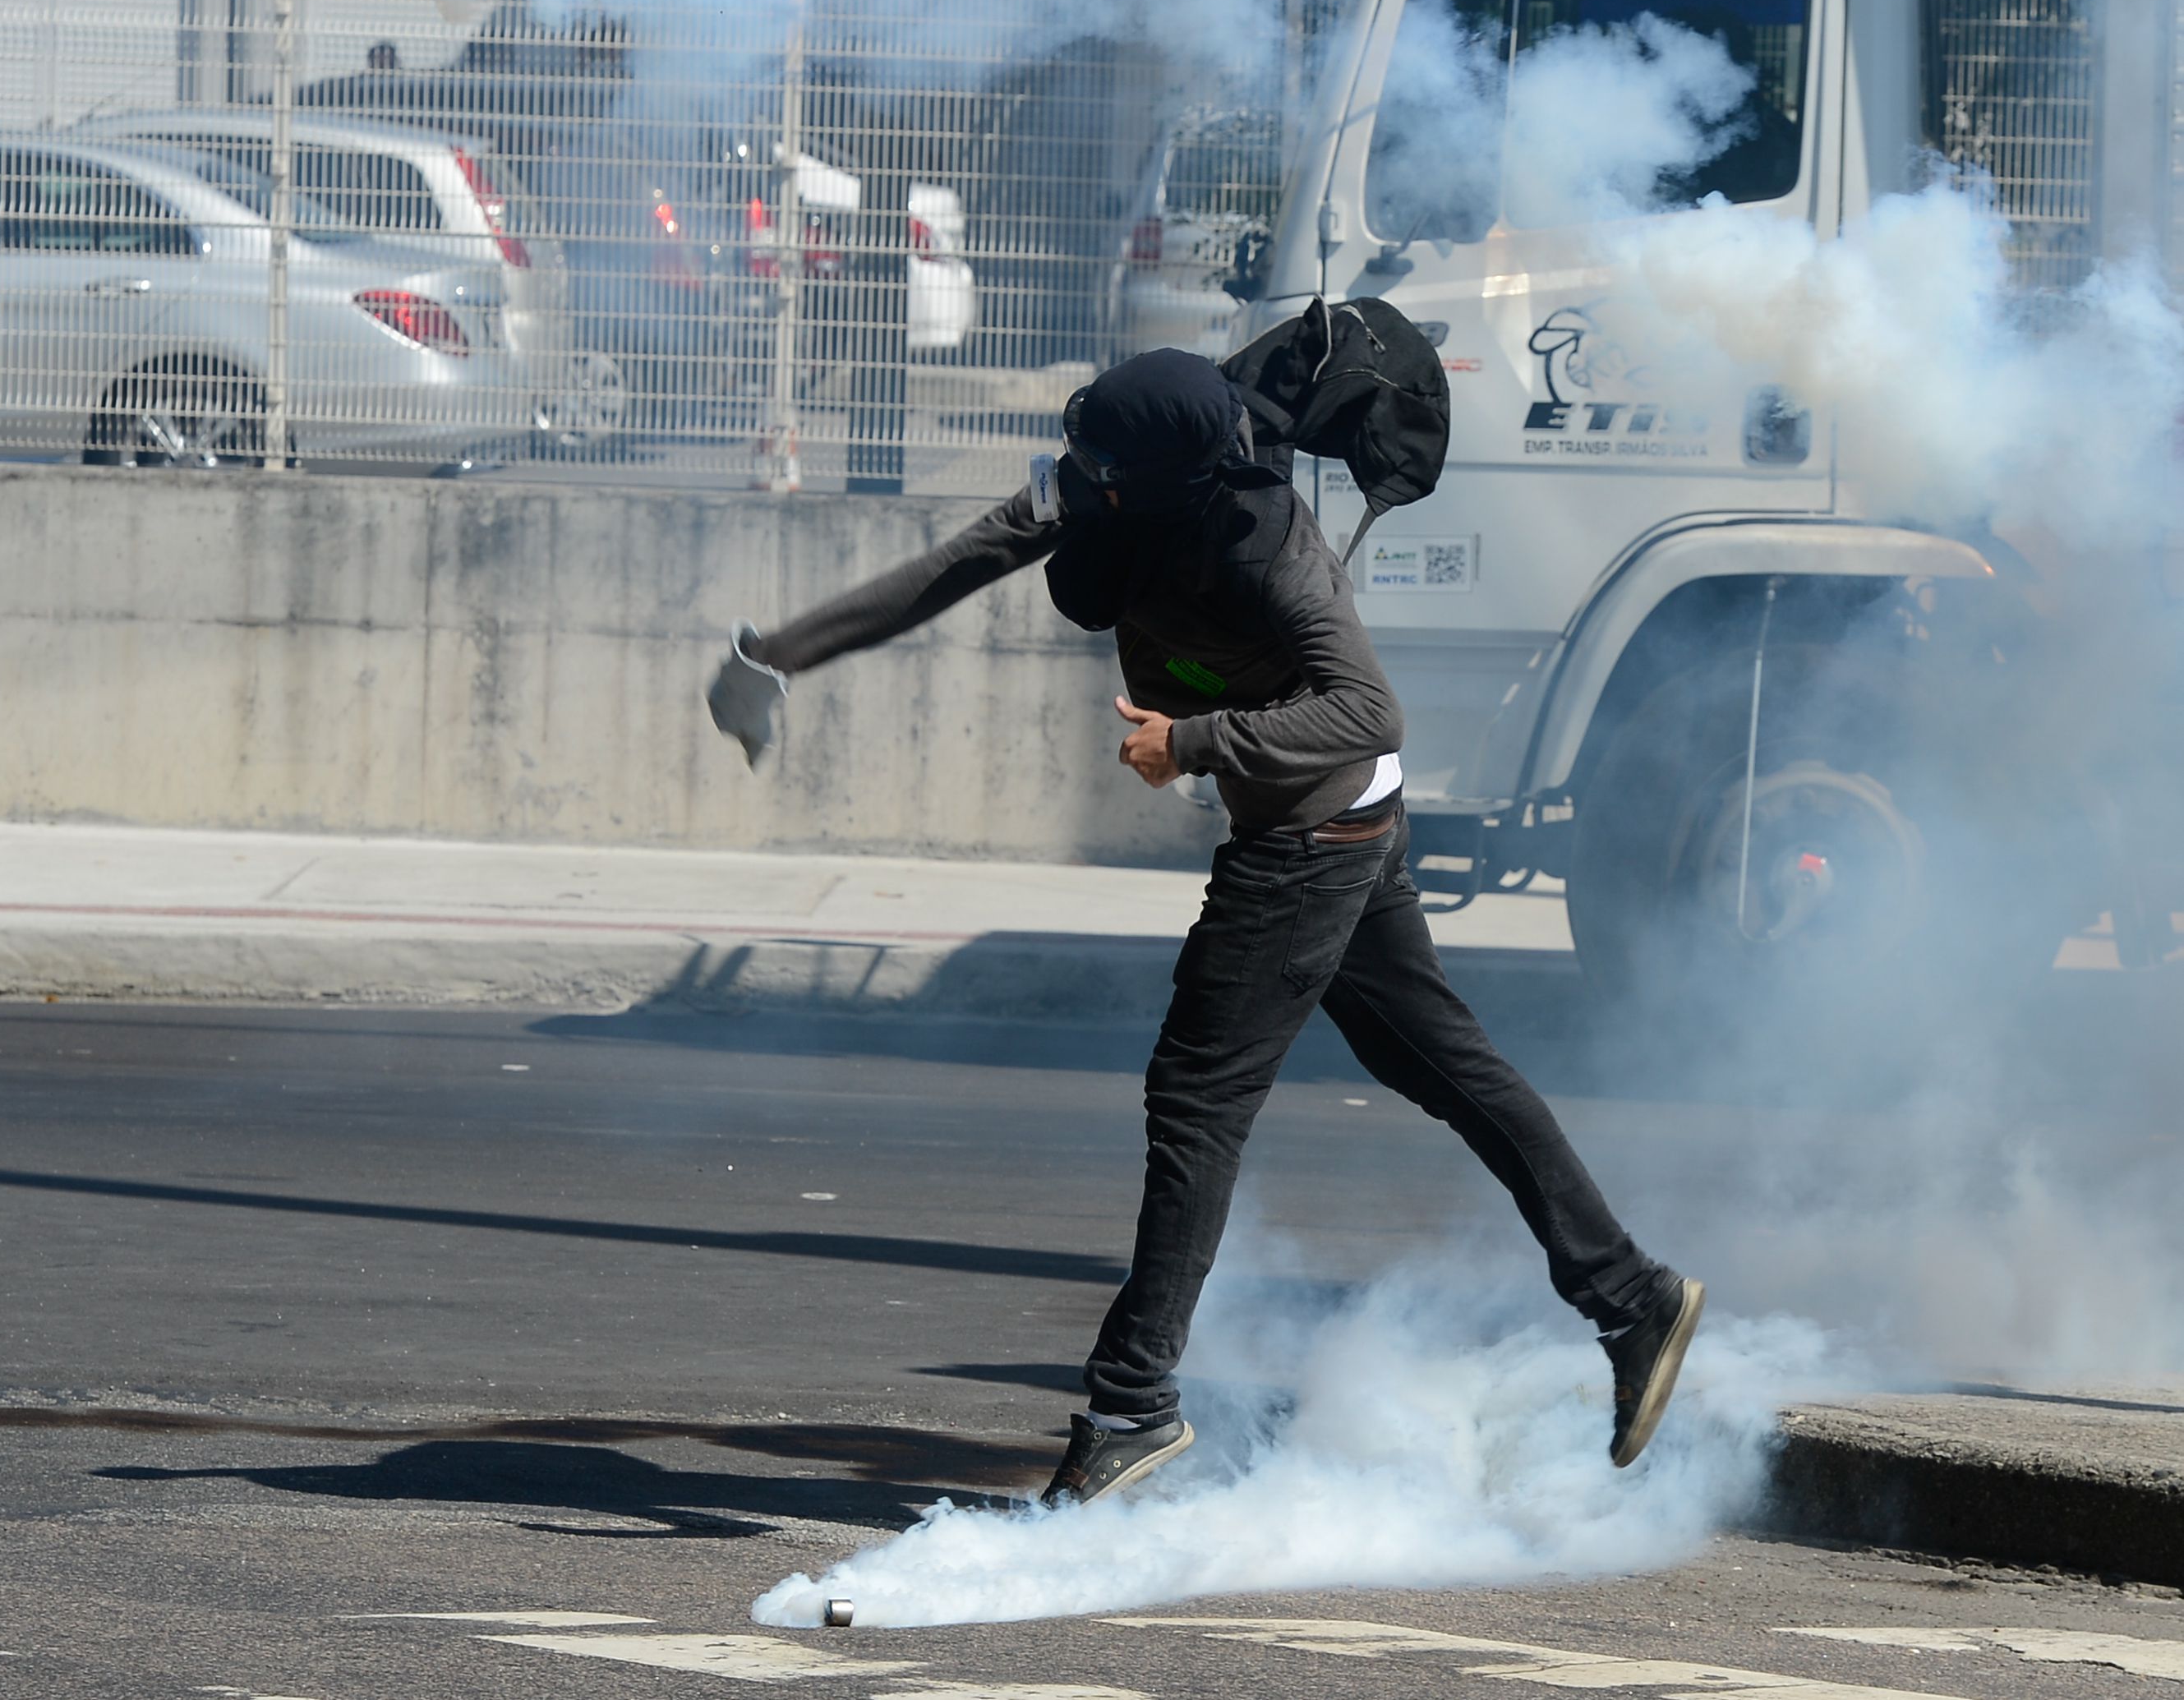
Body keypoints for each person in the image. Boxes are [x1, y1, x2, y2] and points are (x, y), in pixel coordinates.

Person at [707, 344, 1703, 1504]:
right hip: (1335, 829)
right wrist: (774, 660)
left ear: (1158, 480)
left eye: (1101, 463)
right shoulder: (1107, 488)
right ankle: (1630, 1296)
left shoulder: (1268, 549)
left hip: (1307, 845)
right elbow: (963, 561)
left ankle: (1132, 1403)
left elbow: (1368, 709)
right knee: (1441, 1063)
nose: (1077, 475)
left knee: (1195, 1101)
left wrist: (1188, 744)